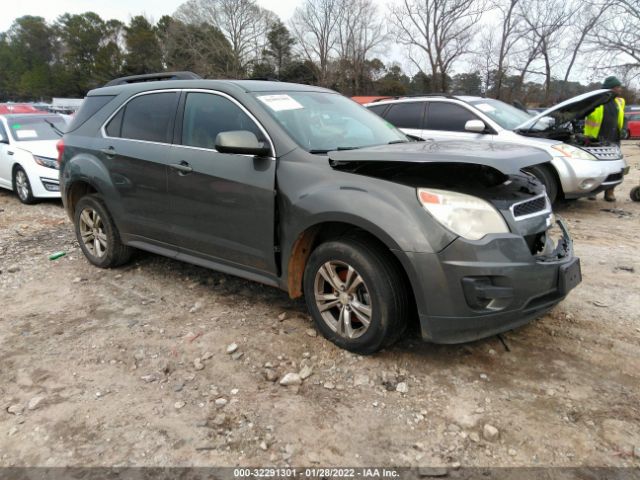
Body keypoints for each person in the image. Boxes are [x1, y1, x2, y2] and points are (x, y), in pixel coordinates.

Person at [584, 76, 626, 202]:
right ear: (612, 88)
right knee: (595, 167)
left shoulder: (620, 102)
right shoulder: (597, 100)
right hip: (596, 138)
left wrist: (623, 128)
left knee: (614, 167)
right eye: (618, 87)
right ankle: (592, 192)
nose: (620, 89)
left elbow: (623, 118)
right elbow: (586, 116)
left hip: (613, 139)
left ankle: (609, 192)